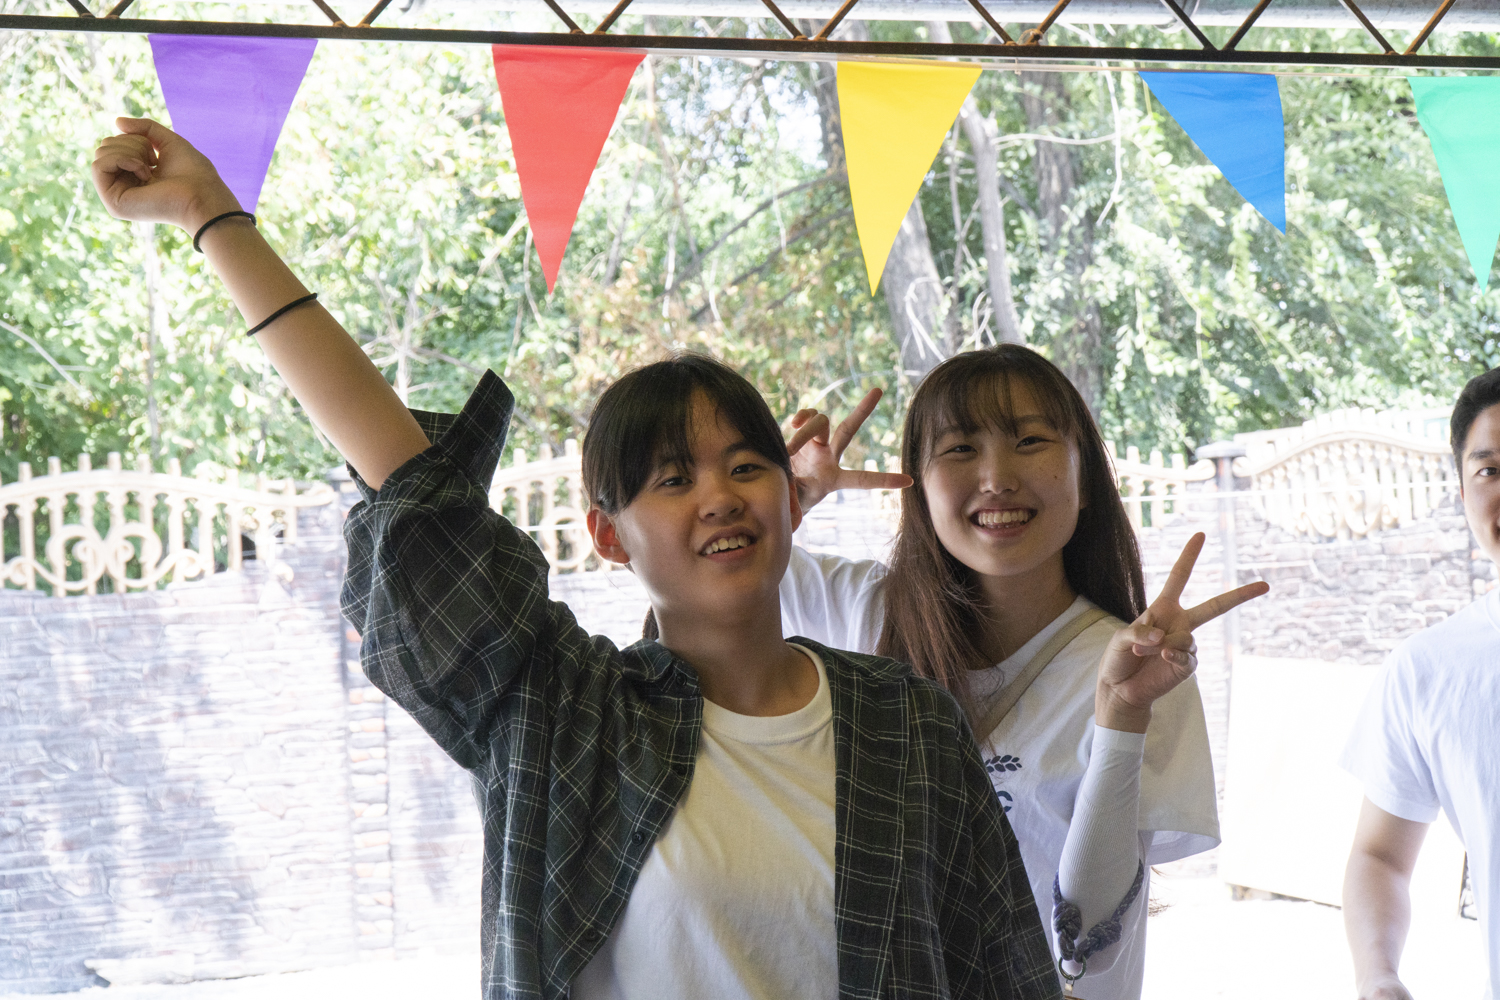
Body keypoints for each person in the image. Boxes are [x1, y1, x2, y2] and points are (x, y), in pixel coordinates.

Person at [89, 117, 1070, 1000]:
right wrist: (214, 218)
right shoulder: (564, 712)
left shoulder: (907, 724)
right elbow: (409, 481)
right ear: (608, 534)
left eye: (746, 466)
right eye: (673, 478)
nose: (721, 495)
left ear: (788, 496)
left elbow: (1006, 972)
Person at [781, 346, 1267, 998]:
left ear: (1085, 477)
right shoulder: (863, 614)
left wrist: (1121, 718)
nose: (996, 477)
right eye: (959, 449)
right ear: (917, 486)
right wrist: (787, 503)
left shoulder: (1145, 671)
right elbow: (695, 588)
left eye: (1030, 441)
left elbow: (1090, 942)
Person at [1341, 367, 1500, 1000]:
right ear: (1461, 491)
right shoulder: (1428, 671)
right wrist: (1378, 974)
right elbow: (1379, 857)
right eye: (1490, 470)